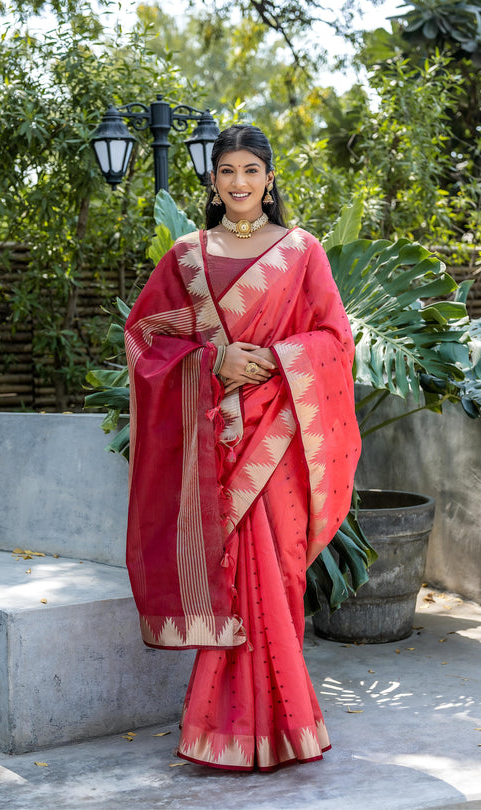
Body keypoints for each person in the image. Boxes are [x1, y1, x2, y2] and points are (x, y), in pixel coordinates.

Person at [124, 124, 361, 772]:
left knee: (276, 577)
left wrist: (280, 358)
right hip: (215, 444)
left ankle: (285, 725)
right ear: (213, 181)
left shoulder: (302, 252)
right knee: (227, 579)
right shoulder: (187, 256)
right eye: (227, 170)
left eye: (251, 170)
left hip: (277, 441)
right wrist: (213, 360)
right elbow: (145, 340)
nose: (239, 182)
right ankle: (218, 730)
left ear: (270, 179)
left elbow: (334, 340)